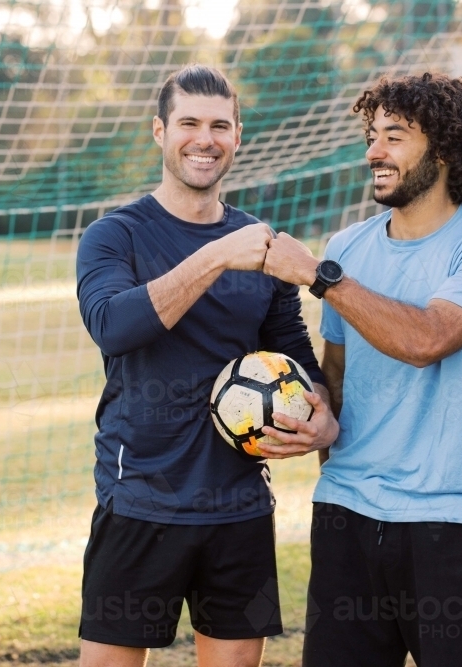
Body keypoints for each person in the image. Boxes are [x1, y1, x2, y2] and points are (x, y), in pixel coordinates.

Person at [261, 72, 462, 667]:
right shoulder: (349, 246)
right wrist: (322, 436)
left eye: (396, 136)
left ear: (446, 149)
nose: (374, 152)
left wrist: (320, 277)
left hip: (448, 522)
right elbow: (336, 376)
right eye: (372, 134)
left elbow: (426, 339)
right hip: (346, 516)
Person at [75, 64, 339, 667]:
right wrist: (216, 256)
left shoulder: (260, 242)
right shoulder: (115, 236)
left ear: (238, 136)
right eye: (189, 123)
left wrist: (322, 412)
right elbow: (113, 326)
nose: (205, 138)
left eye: (220, 125)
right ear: (160, 131)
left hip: (238, 506)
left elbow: (292, 349)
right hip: (139, 499)